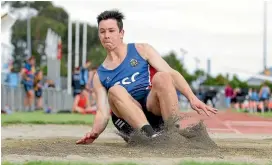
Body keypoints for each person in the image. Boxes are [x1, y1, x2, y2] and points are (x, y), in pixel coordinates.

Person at [76, 10, 217, 145]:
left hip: (152, 108)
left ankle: (173, 133)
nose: (106, 35)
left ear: (121, 33)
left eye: (111, 31)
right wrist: (94, 132)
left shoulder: (142, 50)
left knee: (163, 76)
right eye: (102, 31)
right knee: (115, 90)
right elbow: (102, 112)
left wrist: (192, 98)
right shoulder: (99, 75)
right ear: (99, 35)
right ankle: (149, 136)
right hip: (129, 122)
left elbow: (172, 73)